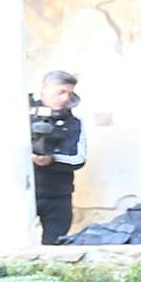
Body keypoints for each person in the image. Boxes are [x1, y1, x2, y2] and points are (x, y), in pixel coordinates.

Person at [28, 70, 86, 245]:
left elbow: (78, 158)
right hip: (26, 193)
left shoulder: (73, 123)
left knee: (55, 246)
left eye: (69, 93)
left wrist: (53, 160)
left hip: (57, 195)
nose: (65, 98)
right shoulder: (23, 116)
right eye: (60, 92)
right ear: (44, 89)